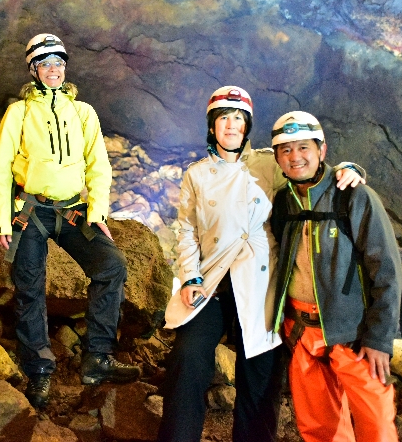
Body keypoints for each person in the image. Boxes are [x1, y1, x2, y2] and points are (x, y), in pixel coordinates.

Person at [157, 87, 366, 442]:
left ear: (248, 125)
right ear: (212, 126)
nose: (231, 125)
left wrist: (347, 169)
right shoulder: (197, 175)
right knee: (187, 359)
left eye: (238, 118)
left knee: (260, 374)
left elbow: (309, 174)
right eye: (224, 118)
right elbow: (187, 231)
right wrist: (190, 276)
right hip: (213, 283)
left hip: (259, 285)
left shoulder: (269, 163)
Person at [0, 33, 140, 409]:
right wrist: (0, 222)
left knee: (111, 266)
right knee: (30, 288)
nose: (53, 70)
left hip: (72, 211)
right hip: (31, 213)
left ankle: (98, 357)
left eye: (59, 63)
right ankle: (38, 371)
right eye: (45, 64)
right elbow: (1, 168)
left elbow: (98, 166)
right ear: (34, 69)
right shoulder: (19, 113)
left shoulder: (83, 112)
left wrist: (98, 211)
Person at [270, 111, 402, 442]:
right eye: (286, 150)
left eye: (304, 147)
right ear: (276, 157)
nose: (295, 157)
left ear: (322, 151)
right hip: (302, 333)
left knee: (377, 425)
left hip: (352, 335)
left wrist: (379, 339)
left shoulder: (353, 195)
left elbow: (386, 268)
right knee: (319, 430)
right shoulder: (283, 202)